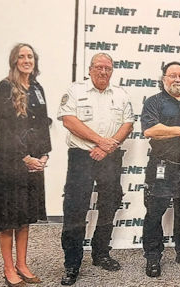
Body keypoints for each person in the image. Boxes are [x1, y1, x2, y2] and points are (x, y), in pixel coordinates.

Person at [57, 53, 134, 285]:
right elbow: (68, 120)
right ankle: (72, 263)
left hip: (110, 156)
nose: (103, 72)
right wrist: (100, 141)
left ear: (112, 71)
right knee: (75, 208)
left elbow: (128, 123)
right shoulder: (75, 90)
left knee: (109, 205)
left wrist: (109, 146)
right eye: (99, 67)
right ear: (90, 69)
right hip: (81, 156)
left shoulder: (120, 94)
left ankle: (101, 254)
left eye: (108, 68)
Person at [0, 43, 51, 287]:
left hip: (34, 159)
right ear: (14, 60)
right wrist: (25, 157)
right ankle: (8, 268)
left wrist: (44, 155)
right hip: (10, 160)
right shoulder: (6, 86)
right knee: (8, 218)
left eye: (30, 56)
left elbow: (43, 124)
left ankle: (22, 264)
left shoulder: (37, 87)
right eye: (22, 56)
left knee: (24, 217)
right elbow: (5, 129)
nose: (27, 60)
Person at [141, 62, 180, 277]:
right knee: (155, 211)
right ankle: (152, 257)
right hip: (162, 166)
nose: (177, 79)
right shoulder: (154, 102)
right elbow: (150, 130)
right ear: (163, 79)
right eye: (172, 75)